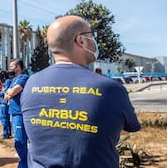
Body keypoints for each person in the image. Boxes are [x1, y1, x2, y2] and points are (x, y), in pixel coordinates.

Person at [21, 15, 141, 167]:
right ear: (81, 41)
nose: (94, 42)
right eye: (91, 37)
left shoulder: (31, 83)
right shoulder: (110, 88)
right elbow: (126, 129)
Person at [5, 58, 29, 168]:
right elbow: (6, 95)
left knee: (20, 141)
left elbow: (13, 91)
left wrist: (10, 93)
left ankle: (24, 164)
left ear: (18, 67)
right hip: (14, 113)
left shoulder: (23, 78)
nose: (10, 69)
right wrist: (9, 93)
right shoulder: (14, 79)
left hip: (20, 113)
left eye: (12, 67)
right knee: (18, 141)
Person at [0, 70, 14, 139]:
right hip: (5, 102)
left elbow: (5, 91)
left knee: (4, 118)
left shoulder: (7, 82)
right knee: (6, 118)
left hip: (4, 102)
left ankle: (5, 133)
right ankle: (8, 132)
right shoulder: (9, 81)